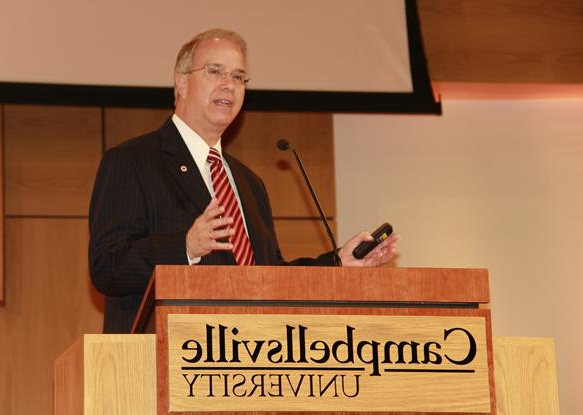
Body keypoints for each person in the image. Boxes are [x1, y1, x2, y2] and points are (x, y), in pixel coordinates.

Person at [88, 28, 399, 333]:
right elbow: (107, 268)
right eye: (215, 72)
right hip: (161, 361)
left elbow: (268, 278)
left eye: (238, 77)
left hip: (243, 363)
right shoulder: (132, 161)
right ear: (181, 83)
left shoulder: (248, 183)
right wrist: (184, 247)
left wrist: (338, 263)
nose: (229, 85)